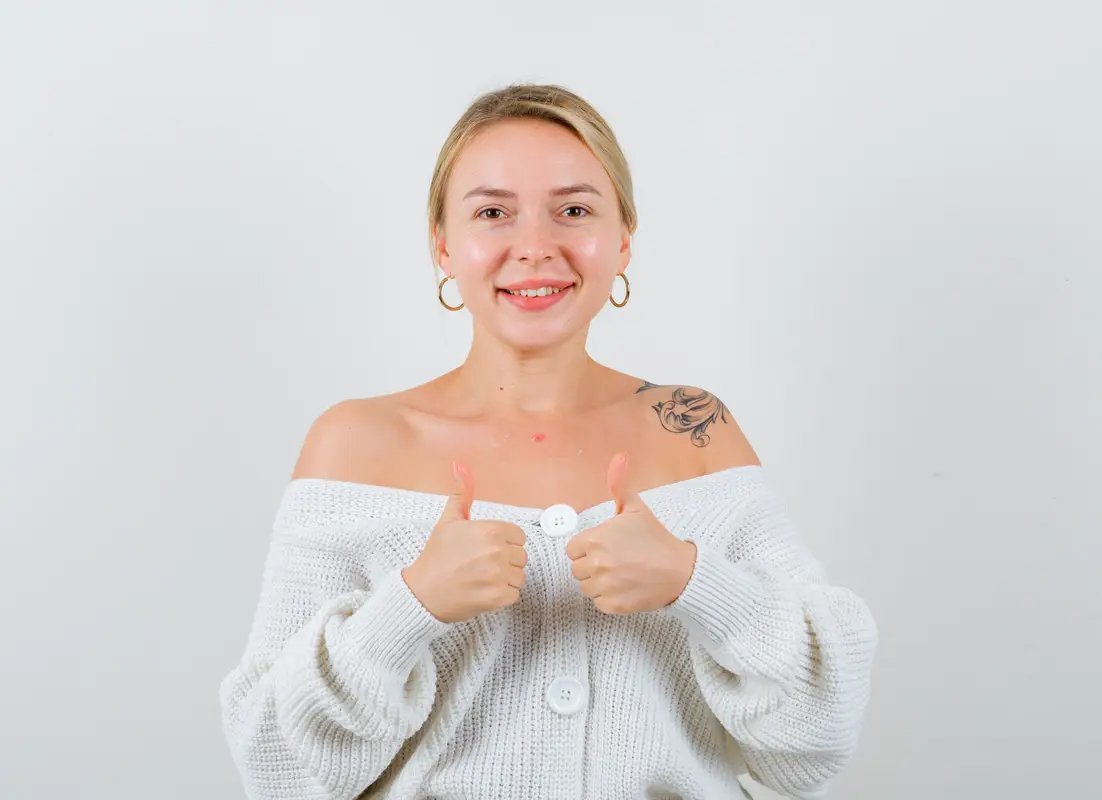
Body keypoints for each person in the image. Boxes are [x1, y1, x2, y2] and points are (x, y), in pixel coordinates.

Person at [218, 83, 878, 800]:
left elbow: (817, 737)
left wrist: (696, 582)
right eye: (493, 213)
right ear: (443, 244)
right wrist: (410, 607)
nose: (534, 248)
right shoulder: (355, 443)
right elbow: (276, 767)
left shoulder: (694, 428)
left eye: (573, 210)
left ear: (623, 238)